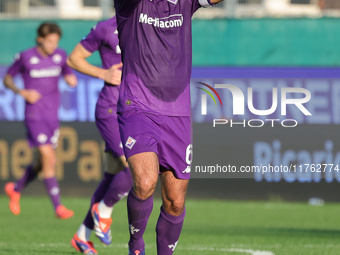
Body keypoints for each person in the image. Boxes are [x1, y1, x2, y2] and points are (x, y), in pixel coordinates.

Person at [112, 0, 224, 254]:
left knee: (175, 201)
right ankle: (136, 246)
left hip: (178, 113)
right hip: (137, 105)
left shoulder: (185, 2)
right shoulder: (130, 6)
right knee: (146, 181)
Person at [67, 17, 133, 254]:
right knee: (136, 167)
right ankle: (103, 212)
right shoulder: (106, 27)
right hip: (111, 109)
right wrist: (102, 73)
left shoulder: (151, 22)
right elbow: (73, 58)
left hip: (136, 110)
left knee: (111, 177)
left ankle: (82, 237)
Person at [3, 22, 77, 219]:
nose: (53, 45)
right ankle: (58, 207)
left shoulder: (60, 55)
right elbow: (7, 79)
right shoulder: (26, 57)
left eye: (56, 41)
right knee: (48, 158)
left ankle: (16, 188)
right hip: (34, 115)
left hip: (53, 116)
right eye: (50, 41)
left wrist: (71, 79)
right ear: (40, 39)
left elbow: (68, 73)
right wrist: (22, 92)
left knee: (42, 163)